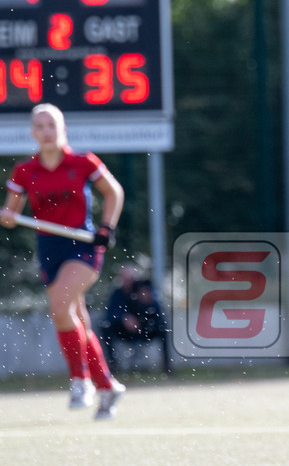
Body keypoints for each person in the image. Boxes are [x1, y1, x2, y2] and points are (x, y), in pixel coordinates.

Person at [0, 103, 126, 419]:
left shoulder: (83, 162)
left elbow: (114, 192)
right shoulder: (24, 171)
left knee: (59, 307)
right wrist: (8, 216)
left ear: (63, 129)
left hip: (82, 247)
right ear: (32, 132)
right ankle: (108, 386)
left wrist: (106, 227)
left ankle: (80, 379)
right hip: (49, 249)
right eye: (39, 126)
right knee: (75, 318)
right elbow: (10, 213)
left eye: (51, 125)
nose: (45, 132)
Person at [98, 265, 169, 374]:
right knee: (105, 326)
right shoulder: (117, 293)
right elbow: (110, 313)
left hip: (146, 329)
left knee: (163, 327)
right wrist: (124, 317)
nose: (128, 283)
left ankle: (167, 367)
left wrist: (147, 303)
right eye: (125, 279)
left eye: (130, 279)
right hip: (125, 331)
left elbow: (158, 312)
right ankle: (113, 366)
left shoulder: (145, 290)